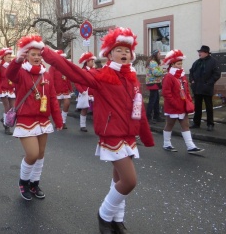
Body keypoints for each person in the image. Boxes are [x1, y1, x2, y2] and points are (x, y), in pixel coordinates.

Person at [41, 27, 154, 233]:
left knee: (118, 179)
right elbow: (73, 71)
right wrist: (47, 53)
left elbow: (140, 110)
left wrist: (146, 137)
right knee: (129, 181)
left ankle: (117, 219)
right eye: (119, 50)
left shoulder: (132, 78)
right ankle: (104, 214)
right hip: (112, 135)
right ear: (109, 54)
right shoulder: (101, 75)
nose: (124, 54)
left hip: (128, 136)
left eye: (127, 50)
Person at [6, 35, 63, 201]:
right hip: (26, 120)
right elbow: (10, 74)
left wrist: (58, 120)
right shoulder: (21, 73)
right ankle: (23, 182)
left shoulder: (46, 75)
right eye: (33, 54)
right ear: (27, 55)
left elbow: (52, 98)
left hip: (43, 120)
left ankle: (34, 183)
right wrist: (17, 60)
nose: (37, 57)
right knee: (32, 154)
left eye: (39, 54)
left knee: (41, 154)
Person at [161, 49, 204, 153]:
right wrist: (174, 104)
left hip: (182, 105)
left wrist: (189, 99)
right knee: (169, 124)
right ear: (172, 64)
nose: (180, 66)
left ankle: (190, 146)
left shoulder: (182, 76)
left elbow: (186, 89)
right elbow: (166, 93)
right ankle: (166, 144)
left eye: (181, 63)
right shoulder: (168, 77)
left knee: (185, 125)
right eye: (178, 64)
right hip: (173, 106)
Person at [189, 45, 221, 131]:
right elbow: (191, 72)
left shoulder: (213, 62)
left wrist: (209, 83)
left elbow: (217, 74)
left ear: (206, 53)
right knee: (197, 106)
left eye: (201, 52)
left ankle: (210, 124)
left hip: (207, 88)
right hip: (197, 88)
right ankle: (196, 123)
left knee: (209, 107)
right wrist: (192, 81)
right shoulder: (197, 62)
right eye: (199, 52)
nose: (199, 53)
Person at [48, 50, 72, 129]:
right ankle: (57, 122)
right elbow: (50, 79)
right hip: (56, 90)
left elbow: (68, 78)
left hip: (65, 90)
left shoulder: (65, 68)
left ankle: (63, 121)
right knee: (56, 107)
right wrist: (52, 91)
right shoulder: (52, 67)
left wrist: (70, 88)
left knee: (67, 104)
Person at [0, 47, 16, 134]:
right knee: (7, 107)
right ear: (4, 57)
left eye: (10, 57)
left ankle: (4, 119)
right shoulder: (0, 67)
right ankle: (7, 126)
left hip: (11, 89)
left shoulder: (12, 66)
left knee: (13, 108)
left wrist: (15, 86)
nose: (10, 59)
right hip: (3, 90)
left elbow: (15, 77)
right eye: (8, 57)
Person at [74, 52, 96, 132]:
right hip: (85, 92)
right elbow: (77, 82)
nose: (93, 63)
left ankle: (97, 126)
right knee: (84, 109)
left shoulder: (94, 71)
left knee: (96, 109)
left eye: (93, 61)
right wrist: (82, 91)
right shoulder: (82, 71)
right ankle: (82, 125)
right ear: (87, 62)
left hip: (93, 93)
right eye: (91, 61)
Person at [145, 49, 165, 123]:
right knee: (153, 100)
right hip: (153, 82)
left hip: (154, 82)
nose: (160, 55)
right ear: (155, 54)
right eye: (159, 54)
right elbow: (156, 73)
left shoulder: (154, 62)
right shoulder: (153, 62)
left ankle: (156, 116)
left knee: (156, 100)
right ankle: (148, 117)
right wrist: (163, 71)